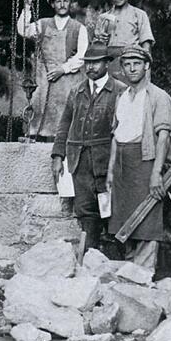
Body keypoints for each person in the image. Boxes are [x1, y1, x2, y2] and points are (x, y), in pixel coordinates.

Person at [51, 42, 127, 252]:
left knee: (109, 209)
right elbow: (64, 124)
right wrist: (58, 156)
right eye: (88, 63)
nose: (91, 67)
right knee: (85, 211)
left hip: (107, 162)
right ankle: (89, 257)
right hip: (80, 162)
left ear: (106, 64)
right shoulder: (77, 91)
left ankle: (112, 259)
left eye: (96, 63)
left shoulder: (120, 90)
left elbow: (124, 130)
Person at [106, 45, 171, 270]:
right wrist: (111, 170)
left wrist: (156, 173)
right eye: (127, 64)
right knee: (124, 220)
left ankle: (143, 275)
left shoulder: (158, 97)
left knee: (146, 220)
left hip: (145, 161)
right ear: (122, 68)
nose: (132, 68)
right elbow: (116, 134)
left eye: (137, 63)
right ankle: (128, 275)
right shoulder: (122, 96)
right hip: (123, 164)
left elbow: (163, 137)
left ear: (146, 66)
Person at [17, 0, 90, 138]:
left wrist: (63, 69)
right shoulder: (42, 24)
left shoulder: (79, 28)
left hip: (68, 80)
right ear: (52, 4)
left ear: (70, 3)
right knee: (40, 117)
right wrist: (27, 6)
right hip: (44, 79)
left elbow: (82, 55)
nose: (62, 4)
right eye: (58, 1)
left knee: (66, 119)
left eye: (65, 1)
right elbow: (23, 30)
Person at [94, 0, 155, 81]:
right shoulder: (103, 18)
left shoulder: (139, 14)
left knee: (132, 93)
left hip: (131, 61)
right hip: (110, 63)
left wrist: (146, 69)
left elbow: (146, 44)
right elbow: (96, 49)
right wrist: (100, 40)